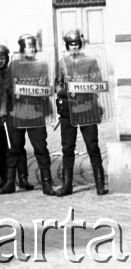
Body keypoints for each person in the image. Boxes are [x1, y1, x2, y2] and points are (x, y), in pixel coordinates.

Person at [0, 34, 56, 195]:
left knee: (41, 148)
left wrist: (50, 113)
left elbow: (45, 90)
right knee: (14, 148)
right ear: (22, 49)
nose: (30, 50)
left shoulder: (41, 65)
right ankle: (10, 182)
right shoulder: (14, 65)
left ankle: (47, 183)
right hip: (16, 112)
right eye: (27, 47)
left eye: (32, 47)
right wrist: (3, 110)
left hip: (36, 113)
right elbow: (5, 90)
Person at [55, 29, 109, 196]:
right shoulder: (62, 62)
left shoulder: (91, 62)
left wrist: (83, 89)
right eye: (71, 45)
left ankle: (100, 184)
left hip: (87, 108)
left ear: (81, 45)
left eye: (76, 44)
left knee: (92, 146)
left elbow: (98, 83)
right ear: (67, 46)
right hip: (69, 110)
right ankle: (67, 184)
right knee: (67, 147)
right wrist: (64, 92)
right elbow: (57, 85)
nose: (74, 47)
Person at [0, 44, 34, 191]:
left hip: (13, 114)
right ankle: (4, 178)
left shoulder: (13, 72)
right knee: (1, 148)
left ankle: (23, 178)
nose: (1, 62)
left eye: (3, 58)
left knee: (18, 145)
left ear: (7, 59)